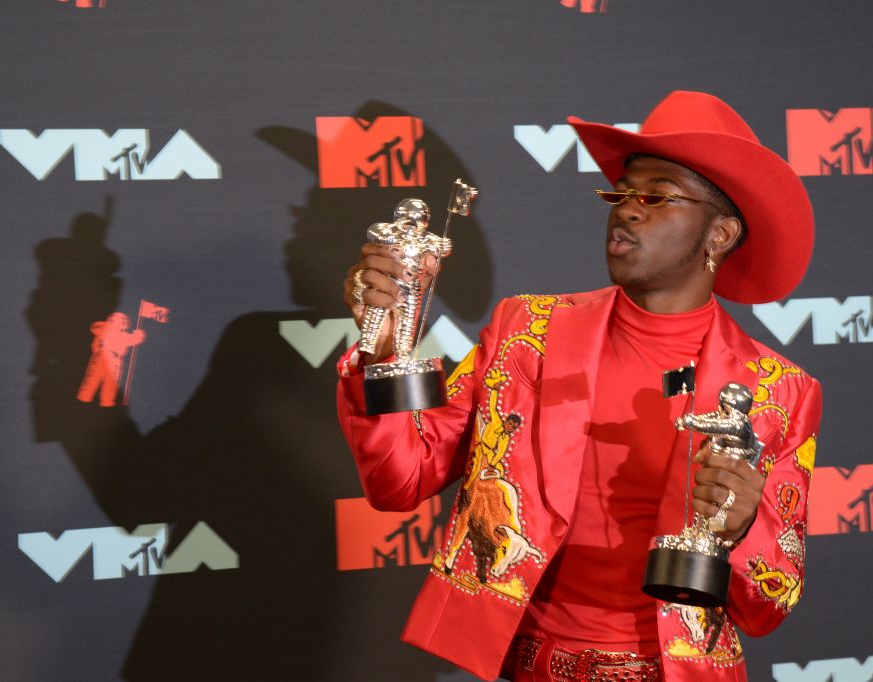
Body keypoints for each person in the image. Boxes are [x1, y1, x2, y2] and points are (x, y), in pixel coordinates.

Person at [336, 91, 822, 682]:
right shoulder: (526, 333)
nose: (627, 211)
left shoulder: (778, 392)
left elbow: (770, 604)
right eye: (621, 194)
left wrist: (742, 530)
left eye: (656, 197)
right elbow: (401, 479)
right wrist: (386, 347)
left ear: (718, 236)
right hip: (530, 663)